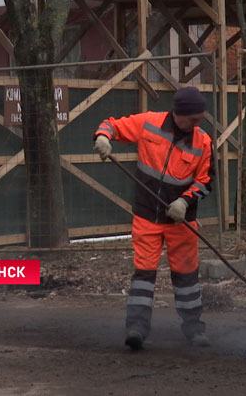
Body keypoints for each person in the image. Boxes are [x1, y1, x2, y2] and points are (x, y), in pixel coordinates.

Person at [93, 86, 214, 350]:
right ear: (178, 114)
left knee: (186, 276)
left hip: (181, 220)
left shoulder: (203, 142)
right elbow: (111, 125)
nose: (198, 123)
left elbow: (205, 181)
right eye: (194, 119)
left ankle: (194, 329)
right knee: (144, 274)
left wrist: (184, 201)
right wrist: (103, 137)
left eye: (200, 119)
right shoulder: (149, 123)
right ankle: (136, 328)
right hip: (147, 214)